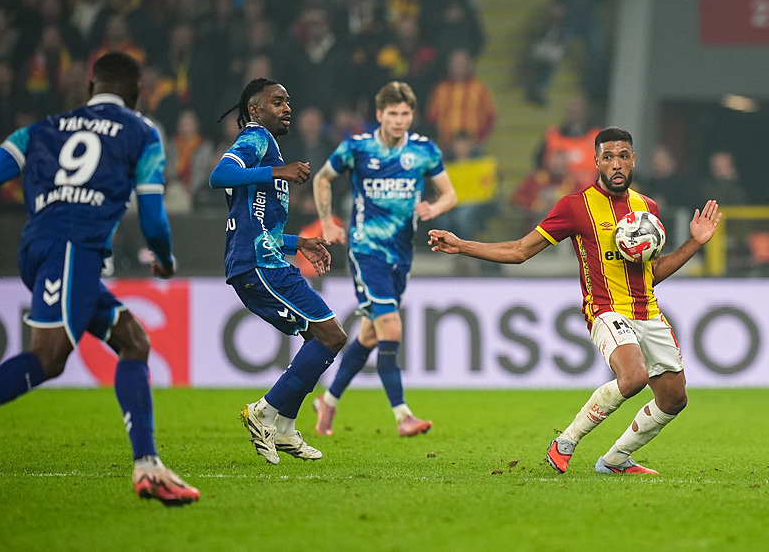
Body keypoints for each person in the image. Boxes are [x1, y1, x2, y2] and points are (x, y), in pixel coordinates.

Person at [0, 52, 199, 505]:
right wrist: (166, 259)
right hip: (73, 248)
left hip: (40, 247)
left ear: (92, 88)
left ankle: (148, 465)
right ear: (136, 94)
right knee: (49, 358)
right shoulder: (142, 131)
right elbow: (153, 218)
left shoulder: (41, 128)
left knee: (133, 340)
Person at [428, 127, 721, 474]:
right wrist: (462, 245)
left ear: (633, 160)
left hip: (648, 311)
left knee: (674, 398)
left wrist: (695, 243)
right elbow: (521, 251)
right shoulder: (575, 206)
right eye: (608, 156)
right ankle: (565, 441)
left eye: (623, 156)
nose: (616, 164)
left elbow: (652, 272)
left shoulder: (648, 207)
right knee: (633, 377)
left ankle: (614, 461)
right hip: (605, 310)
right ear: (596, 160)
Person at [209, 78, 347, 464]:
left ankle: (284, 427)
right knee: (332, 335)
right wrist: (277, 173)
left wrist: (297, 243)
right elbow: (217, 175)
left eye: (288, 101)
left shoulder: (267, 146)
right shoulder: (255, 139)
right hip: (259, 266)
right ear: (255, 110)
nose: (287, 108)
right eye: (277, 101)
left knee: (318, 339)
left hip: (264, 258)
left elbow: (259, 227)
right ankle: (265, 412)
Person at [311, 81, 457, 437]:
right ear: (380, 115)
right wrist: (328, 221)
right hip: (366, 250)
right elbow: (322, 179)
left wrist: (433, 207)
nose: (399, 120)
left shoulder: (423, 150)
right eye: (393, 113)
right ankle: (402, 414)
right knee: (390, 326)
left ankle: (328, 401)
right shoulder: (357, 148)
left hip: (402, 253)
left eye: (405, 113)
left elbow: (449, 194)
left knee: (371, 335)